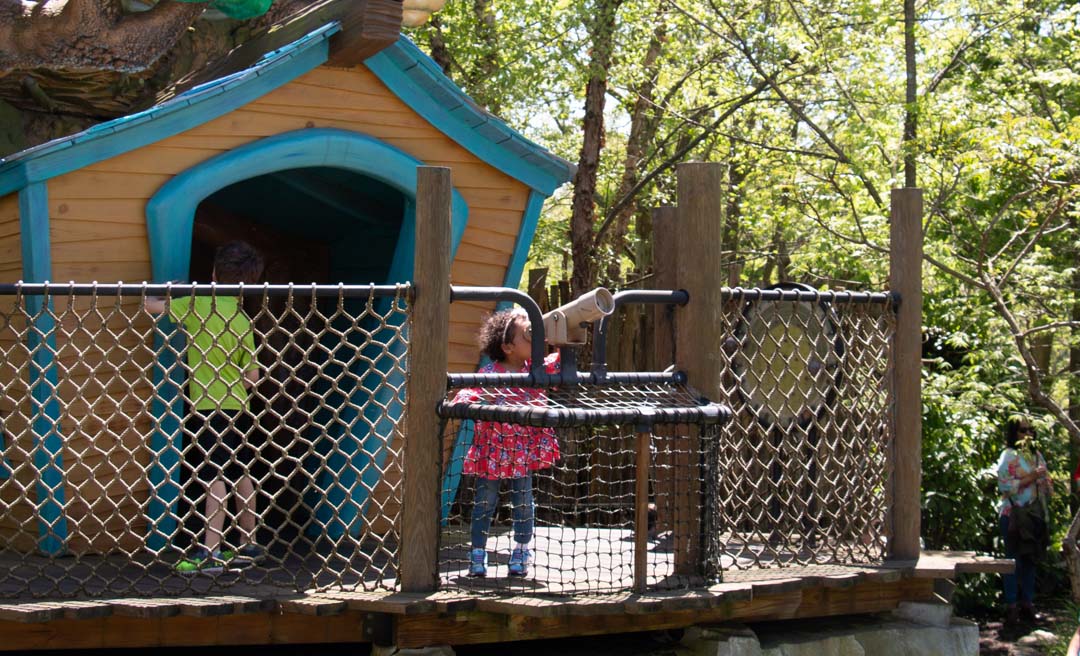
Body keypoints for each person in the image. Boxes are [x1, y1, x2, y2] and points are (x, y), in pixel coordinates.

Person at [146, 241, 265, 575]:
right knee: (241, 470)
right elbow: (253, 376)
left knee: (213, 475)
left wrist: (169, 290)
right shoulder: (241, 319)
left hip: (209, 405)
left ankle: (210, 550)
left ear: (213, 273)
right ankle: (249, 542)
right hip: (238, 405)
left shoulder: (199, 304)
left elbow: (150, 306)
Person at [453, 307, 560, 578]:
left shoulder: (535, 369)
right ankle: (478, 552)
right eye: (527, 334)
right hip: (493, 451)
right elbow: (469, 394)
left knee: (523, 502)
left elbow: (559, 364)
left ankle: (522, 550)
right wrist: (472, 401)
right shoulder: (491, 373)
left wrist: (561, 334)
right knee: (484, 502)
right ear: (508, 347)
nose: (535, 338)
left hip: (522, 451)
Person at [995, 417, 1051, 624]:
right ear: (1014, 433)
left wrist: (1045, 483)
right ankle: (1011, 605)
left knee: (1030, 558)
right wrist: (1031, 478)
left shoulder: (1036, 455)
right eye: (1022, 430)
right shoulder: (1009, 455)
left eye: (1030, 430)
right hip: (1013, 514)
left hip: (1034, 514)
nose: (1028, 434)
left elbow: (1045, 483)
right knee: (1012, 560)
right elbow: (1004, 486)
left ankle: (1028, 603)